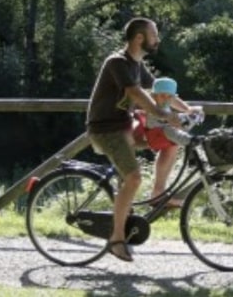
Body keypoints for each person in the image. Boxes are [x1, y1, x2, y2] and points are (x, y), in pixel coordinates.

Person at [85, 17, 198, 263]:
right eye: (154, 35)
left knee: (172, 141)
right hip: (107, 129)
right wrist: (165, 114)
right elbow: (136, 94)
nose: (157, 39)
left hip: (127, 126)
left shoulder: (137, 65)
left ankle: (158, 192)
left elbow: (161, 92)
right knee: (134, 178)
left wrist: (187, 110)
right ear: (139, 38)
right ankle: (116, 239)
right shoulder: (117, 62)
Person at [132, 76, 199, 206]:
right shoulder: (153, 104)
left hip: (161, 133)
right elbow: (161, 116)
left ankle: (159, 192)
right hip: (155, 134)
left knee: (172, 148)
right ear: (154, 96)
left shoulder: (165, 100)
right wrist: (179, 118)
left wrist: (188, 110)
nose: (166, 99)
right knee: (172, 133)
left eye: (169, 97)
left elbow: (173, 101)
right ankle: (158, 192)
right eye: (163, 96)